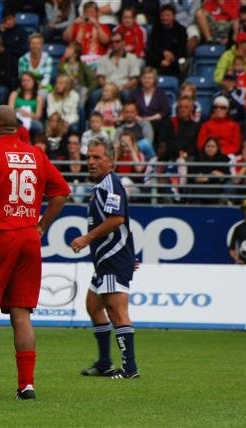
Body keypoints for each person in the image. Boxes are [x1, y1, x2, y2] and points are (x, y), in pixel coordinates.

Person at [0, 105, 69, 399]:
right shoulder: (36, 154)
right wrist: (41, 225)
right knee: (21, 312)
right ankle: (26, 384)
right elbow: (61, 193)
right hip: (28, 238)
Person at [70, 136, 139, 380]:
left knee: (116, 310)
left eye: (97, 157)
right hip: (106, 260)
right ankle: (104, 363)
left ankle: (130, 369)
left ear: (111, 160)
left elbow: (117, 218)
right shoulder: (101, 186)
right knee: (93, 306)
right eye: (89, 157)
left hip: (113, 258)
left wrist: (86, 239)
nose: (91, 162)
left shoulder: (111, 184)